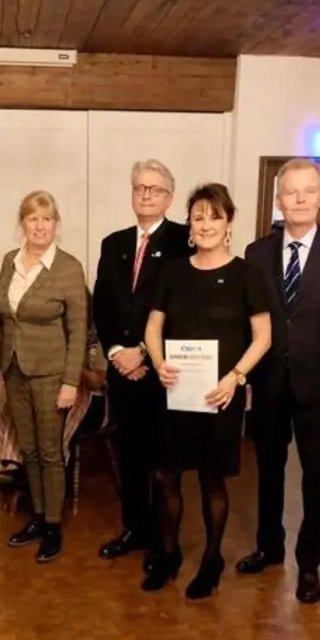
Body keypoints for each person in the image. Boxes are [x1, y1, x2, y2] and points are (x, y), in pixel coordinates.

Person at [239, 158, 320, 605]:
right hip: (269, 383)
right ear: (279, 200)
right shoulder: (256, 253)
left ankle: (309, 564)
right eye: (291, 192)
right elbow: (250, 322)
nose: (300, 199)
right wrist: (245, 378)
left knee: (318, 477)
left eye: (309, 191)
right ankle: (268, 547)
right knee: (268, 472)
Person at [144, 183, 272, 599]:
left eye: (214, 216)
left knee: (211, 480)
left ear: (228, 222)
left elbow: (263, 337)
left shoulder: (247, 274)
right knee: (165, 476)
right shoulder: (173, 272)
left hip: (220, 395)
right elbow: (153, 327)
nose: (205, 224)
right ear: (189, 225)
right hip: (175, 392)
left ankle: (211, 560)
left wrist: (235, 377)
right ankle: (168, 554)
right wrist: (158, 362)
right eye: (198, 217)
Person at [91, 160, 194, 568]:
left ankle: (162, 541)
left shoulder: (184, 241)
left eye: (155, 189)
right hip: (122, 371)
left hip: (162, 372)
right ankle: (133, 528)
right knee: (129, 455)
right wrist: (117, 352)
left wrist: (146, 354)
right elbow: (102, 306)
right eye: (140, 187)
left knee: (162, 461)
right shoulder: (113, 243)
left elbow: (184, 310)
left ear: (169, 198)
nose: (146, 194)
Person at [0, 191, 88, 564]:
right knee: (27, 450)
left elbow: (78, 331)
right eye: (32, 219)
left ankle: (53, 528)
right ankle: (38, 518)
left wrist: (71, 382)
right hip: (14, 371)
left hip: (51, 374)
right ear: (22, 224)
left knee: (50, 452)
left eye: (46, 219)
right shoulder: (10, 261)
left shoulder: (68, 268)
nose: (40, 226)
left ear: (56, 224)